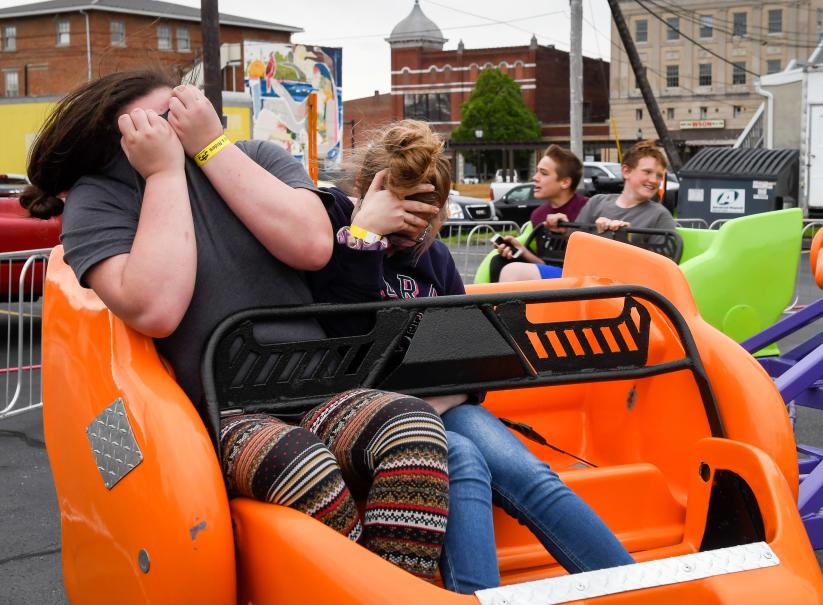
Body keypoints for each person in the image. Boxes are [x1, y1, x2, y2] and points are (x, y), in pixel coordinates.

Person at [20, 71, 449, 580]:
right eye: (161, 118)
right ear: (121, 134)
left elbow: (312, 246)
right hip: (222, 414)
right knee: (302, 467)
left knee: (413, 426)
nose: (179, 120)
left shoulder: (255, 156)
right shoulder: (99, 201)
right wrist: (163, 176)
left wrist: (209, 146)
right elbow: (156, 307)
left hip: (320, 389)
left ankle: (397, 587)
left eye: (183, 107)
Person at [308, 120, 635, 594]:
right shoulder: (337, 242)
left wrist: (445, 395)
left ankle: (635, 586)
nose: (411, 234)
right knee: (460, 458)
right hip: (371, 414)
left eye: (426, 218)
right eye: (402, 215)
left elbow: (470, 356)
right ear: (368, 190)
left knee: (530, 474)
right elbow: (344, 341)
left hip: (442, 402)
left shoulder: (433, 259)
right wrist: (366, 241)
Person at [499, 142, 676, 283]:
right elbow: (574, 248)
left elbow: (662, 270)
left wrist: (622, 238)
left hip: (619, 285)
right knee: (508, 269)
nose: (654, 180)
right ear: (626, 171)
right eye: (647, 172)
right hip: (582, 277)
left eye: (659, 176)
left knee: (513, 272)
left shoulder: (660, 216)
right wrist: (562, 229)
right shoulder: (597, 202)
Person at [490, 145, 589, 281]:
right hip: (549, 276)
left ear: (565, 182)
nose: (535, 177)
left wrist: (568, 231)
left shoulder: (588, 208)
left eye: (543, 173)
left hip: (581, 278)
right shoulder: (538, 214)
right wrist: (521, 250)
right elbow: (543, 264)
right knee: (499, 261)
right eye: (537, 172)